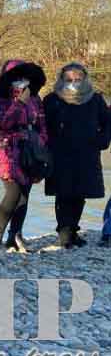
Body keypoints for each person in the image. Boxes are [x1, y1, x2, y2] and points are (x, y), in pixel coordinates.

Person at [43, 63, 111, 249]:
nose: (74, 83)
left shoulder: (95, 99)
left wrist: (102, 140)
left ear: (85, 79)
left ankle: (73, 231)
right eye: (69, 80)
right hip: (60, 153)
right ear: (62, 80)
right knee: (63, 193)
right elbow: (43, 126)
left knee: (80, 193)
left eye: (78, 79)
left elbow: (107, 122)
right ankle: (64, 233)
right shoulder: (52, 99)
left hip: (87, 153)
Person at [0, 60, 47, 252]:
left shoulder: (36, 99)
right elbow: (4, 122)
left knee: (24, 194)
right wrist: (20, 102)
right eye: (17, 78)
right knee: (13, 192)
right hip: (7, 149)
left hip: (30, 149)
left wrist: (42, 144)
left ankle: (15, 235)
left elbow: (42, 125)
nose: (21, 82)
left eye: (25, 78)